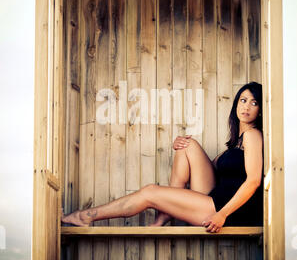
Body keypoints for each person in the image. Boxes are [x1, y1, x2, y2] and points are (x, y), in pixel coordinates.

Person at [61, 82, 263, 233]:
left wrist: (222, 214)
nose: (246, 107)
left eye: (254, 103)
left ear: (260, 110)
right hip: (215, 199)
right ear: (236, 105)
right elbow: (209, 168)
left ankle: (85, 216)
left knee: (149, 192)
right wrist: (181, 147)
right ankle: (166, 211)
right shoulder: (236, 142)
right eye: (243, 101)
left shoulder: (253, 136)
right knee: (187, 144)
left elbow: (253, 181)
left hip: (226, 210)